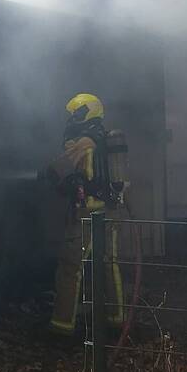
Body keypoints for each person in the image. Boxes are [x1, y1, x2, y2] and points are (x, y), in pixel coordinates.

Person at [42, 93, 126, 336]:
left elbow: (59, 169)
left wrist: (44, 174)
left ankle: (61, 326)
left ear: (84, 113)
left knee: (70, 269)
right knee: (110, 264)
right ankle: (116, 318)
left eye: (74, 114)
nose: (70, 119)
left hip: (85, 214)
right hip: (109, 211)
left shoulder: (81, 143)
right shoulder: (104, 138)